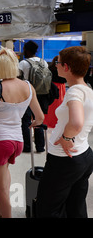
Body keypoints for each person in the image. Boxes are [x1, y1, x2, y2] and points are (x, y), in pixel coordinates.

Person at [0, 48, 44, 218]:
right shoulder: (28, 86)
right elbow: (40, 117)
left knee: (0, 189)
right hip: (18, 140)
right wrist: (31, 124)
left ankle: (6, 215)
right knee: (4, 176)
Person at [36, 46, 93, 218]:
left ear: (66, 67)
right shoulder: (88, 89)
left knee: (47, 208)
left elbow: (76, 122)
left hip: (64, 160)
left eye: (58, 62)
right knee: (76, 207)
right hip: (83, 155)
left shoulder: (74, 92)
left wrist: (66, 137)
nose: (56, 66)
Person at [18, 40, 49, 152]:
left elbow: (18, 78)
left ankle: (27, 147)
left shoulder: (23, 63)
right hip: (41, 94)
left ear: (26, 50)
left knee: (26, 121)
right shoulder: (43, 62)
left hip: (28, 94)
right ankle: (40, 146)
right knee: (39, 119)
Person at [43, 56, 66, 129]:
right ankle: (56, 122)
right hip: (60, 88)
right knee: (59, 105)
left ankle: (48, 122)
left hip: (52, 87)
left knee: (50, 107)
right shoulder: (63, 70)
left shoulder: (50, 69)